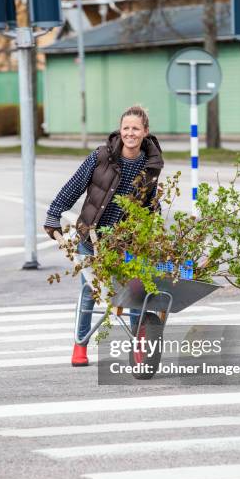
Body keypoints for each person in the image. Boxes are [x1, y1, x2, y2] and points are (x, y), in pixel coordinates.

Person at [44, 105, 164, 367]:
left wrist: (155, 223)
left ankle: (140, 348)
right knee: (90, 290)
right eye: (126, 128)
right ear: (120, 131)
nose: (130, 133)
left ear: (145, 132)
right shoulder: (101, 157)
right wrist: (54, 215)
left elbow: (151, 202)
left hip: (129, 241)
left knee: (136, 293)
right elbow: (72, 188)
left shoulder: (151, 165)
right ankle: (80, 344)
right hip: (92, 236)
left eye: (135, 128)